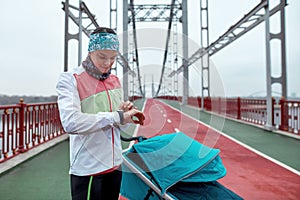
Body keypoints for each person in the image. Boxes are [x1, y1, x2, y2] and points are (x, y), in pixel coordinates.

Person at [56, 27, 145, 200]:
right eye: (102, 57)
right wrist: (117, 116)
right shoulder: (71, 79)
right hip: (88, 168)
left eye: (113, 58)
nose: (108, 63)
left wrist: (124, 114)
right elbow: (71, 123)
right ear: (91, 52)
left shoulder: (115, 80)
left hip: (114, 165)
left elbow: (118, 124)